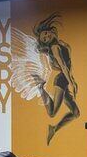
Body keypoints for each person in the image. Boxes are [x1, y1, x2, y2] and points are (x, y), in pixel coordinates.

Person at [32, 13, 80, 144]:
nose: (47, 36)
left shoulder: (60, 43)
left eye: (46, 34)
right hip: (61, 80)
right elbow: (63, 65)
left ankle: (53, 129)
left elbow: (68, 66)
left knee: (75, 113)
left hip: (65, 80)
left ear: (49, 30)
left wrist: (71, 80)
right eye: (45, 39)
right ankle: (40, 87)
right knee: (52, 112)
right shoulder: (54, 47)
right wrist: (72, 82)